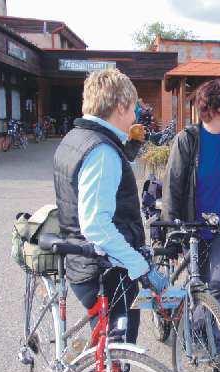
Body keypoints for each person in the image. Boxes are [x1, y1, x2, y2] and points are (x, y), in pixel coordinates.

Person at [53, 68, 168, 346]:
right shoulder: (101, 152)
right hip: (104, 269)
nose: (135, 117)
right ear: (120, 106)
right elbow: (96, 225)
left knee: (102, 344)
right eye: (133, 110)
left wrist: (127, 147)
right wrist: (140, 267)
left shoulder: (76, 138)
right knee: (119, 353)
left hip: (80, 262)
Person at [162, 78, 220, 354]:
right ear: (215, 107)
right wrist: (172, 231)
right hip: (192, 228)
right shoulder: (187, 140)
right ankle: (205, 327)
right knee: (197, 284)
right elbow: (173, 186)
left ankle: (198, 322)